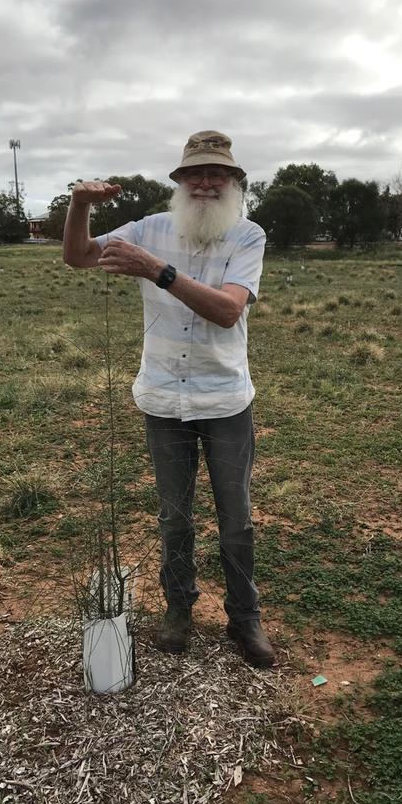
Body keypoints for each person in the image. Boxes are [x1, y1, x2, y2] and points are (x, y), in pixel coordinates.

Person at [62, 130, 275, 668]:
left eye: (217, 174)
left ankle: (244, 620)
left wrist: (156, 269)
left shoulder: (248, 236)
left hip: (225, 399)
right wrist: (80, 205)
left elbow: (228, 311)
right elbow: (79, 256)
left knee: (236, 519)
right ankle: (178, 611)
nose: (206, 182)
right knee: (174, 517)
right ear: (178, 182)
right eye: (195, 173)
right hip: (162, 398)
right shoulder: (147, 230)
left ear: (233, 183)